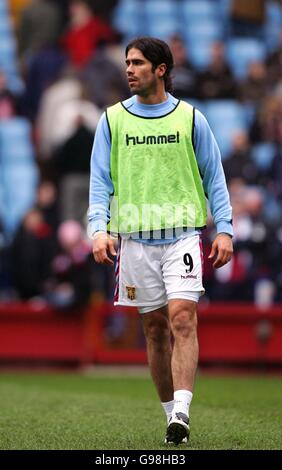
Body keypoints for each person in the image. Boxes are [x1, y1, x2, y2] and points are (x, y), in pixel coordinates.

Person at [88, 37, 233, 445]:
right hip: (134, 241)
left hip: (182, 237)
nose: (129, 69)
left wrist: (224, 228)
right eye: (127, 62)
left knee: (182, 317)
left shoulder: (190, 118)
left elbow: (214, 176)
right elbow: (100, 181)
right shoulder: (112, 120)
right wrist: (98, 228)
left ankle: (182, 414)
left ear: (161, 69)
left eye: (137, 63)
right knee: (154, 331)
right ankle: (172, 417)